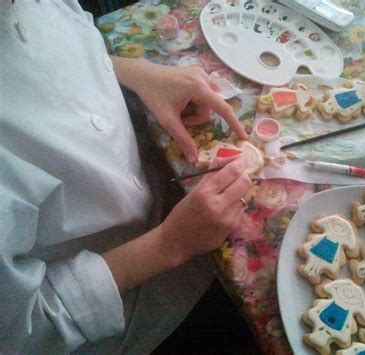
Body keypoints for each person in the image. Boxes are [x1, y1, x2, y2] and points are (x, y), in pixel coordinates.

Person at [0, 1, 252, 353]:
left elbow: (64, 39)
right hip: (129, 294)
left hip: (159, 184)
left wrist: (129, 72)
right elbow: (21, 334)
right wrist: (170, 244)